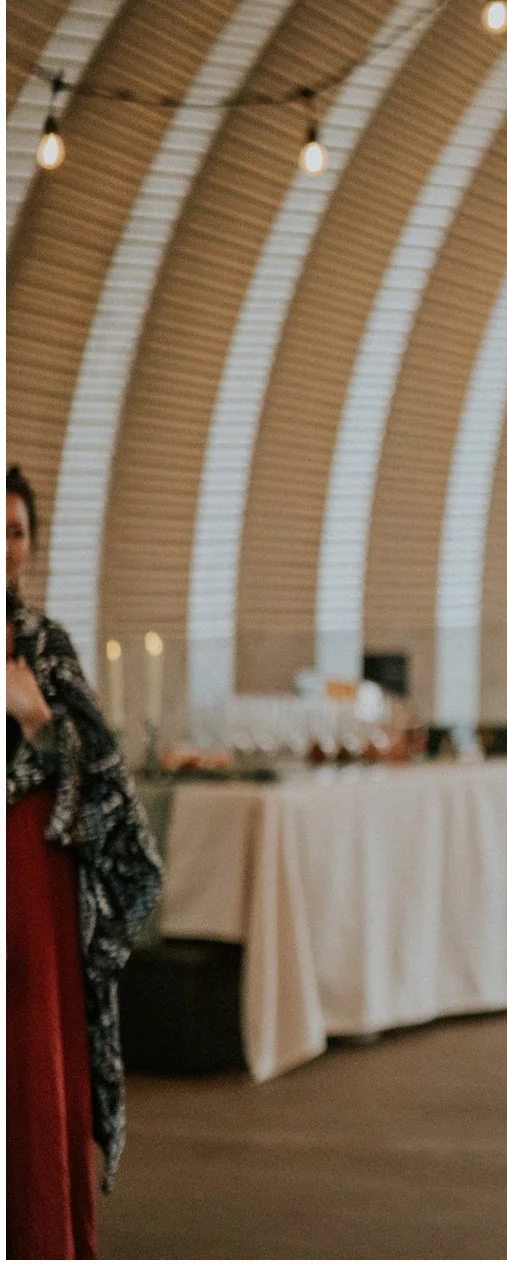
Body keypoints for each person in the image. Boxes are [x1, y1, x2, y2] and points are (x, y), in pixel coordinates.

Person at [7, 465, 163, 1258]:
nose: (5, 547)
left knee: (33, 1059)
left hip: (31, 882)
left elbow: (102, 776)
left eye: (16, 531)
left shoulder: (45, 646)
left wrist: (38, 720)